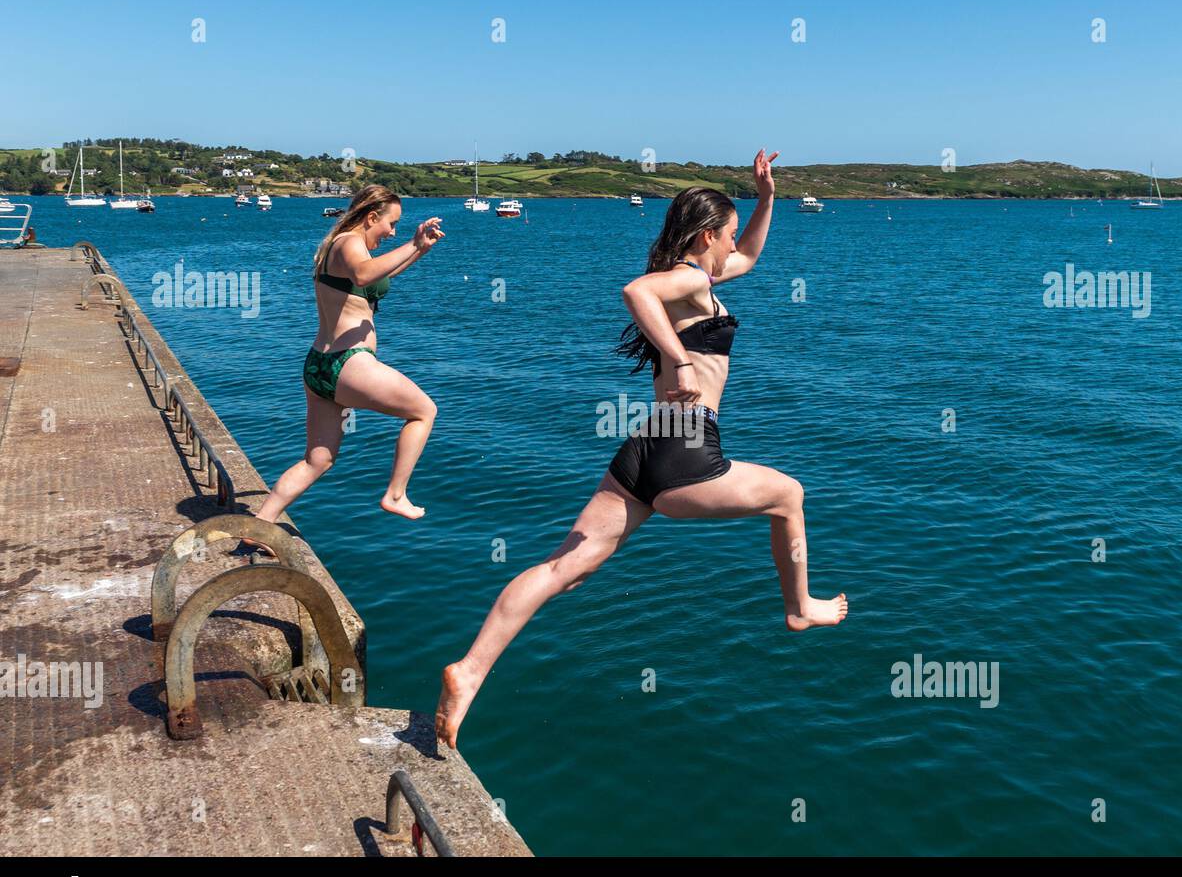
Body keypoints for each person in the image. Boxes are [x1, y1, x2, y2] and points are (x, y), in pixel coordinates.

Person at [435, 150, 847, 749]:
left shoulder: (704, 279)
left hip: (646, 447)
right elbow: (637, 291)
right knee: (790, 494)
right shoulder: (686, 279)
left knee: (563, 569)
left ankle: (468, 671)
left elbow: (752, 257)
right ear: (708, 236)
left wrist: (765, 198)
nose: (736, 245)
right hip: (686, 449)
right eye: (728, 234)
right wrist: (680, 359)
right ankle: (799, 607)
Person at [247, 184, 444, 546]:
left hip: (319, 366)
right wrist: (413, 245)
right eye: (391, 224)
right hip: (348, 363)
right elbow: (366, 275)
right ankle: (395, 494)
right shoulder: (350, 244)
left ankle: (258, 528)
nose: (393, 232)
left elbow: (374, 278)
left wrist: (420, 251)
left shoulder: (337, 247)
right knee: (423, 411)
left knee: (317, 461)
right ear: (371, 217)